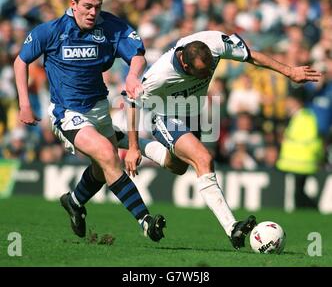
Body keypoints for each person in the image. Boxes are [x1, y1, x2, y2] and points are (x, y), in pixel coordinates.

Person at [123, 30, 322, 249]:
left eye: (210, 68)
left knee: (178, 166)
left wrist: (290, 71)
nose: (208, 74)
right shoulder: (159, 76)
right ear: (186, 66)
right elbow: (132, 101)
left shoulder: (216, 43)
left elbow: (250, 55)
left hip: (191, 113)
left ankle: (120, 138)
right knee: (203, 159)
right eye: (202, 72)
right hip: (163, 113)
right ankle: (232, 228)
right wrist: (133, 148)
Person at [13, 0, 166, 242]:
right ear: (73, 4)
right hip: (68, 113)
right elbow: (20, 62)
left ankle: (74, 201)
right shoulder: (50, 31)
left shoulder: (111, 27)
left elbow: (138, 54)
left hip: (99, 107)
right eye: (87, 6)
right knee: (109, 155)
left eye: (97, 6)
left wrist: (133, 75)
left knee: (101, 167)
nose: (93, 12)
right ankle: (145, 220)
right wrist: (25, 104)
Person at [276, 87, 324, 208]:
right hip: (299, 162)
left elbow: (310, 141)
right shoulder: (300, 117)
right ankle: (314, 213)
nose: (286, 102)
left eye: (289, 100)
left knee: (298, 194)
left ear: (295, 101)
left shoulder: (305, 117)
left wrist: (287, 139)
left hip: (300, 162)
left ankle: (315, 211)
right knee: (298, 193)